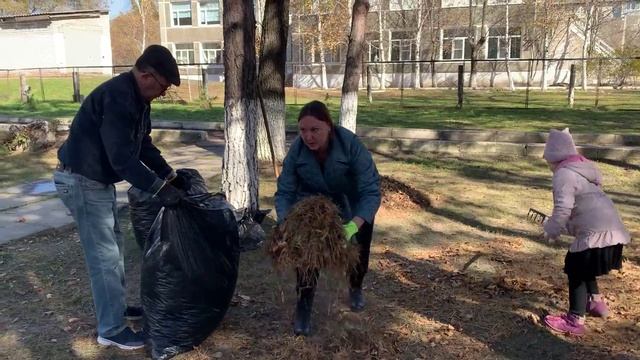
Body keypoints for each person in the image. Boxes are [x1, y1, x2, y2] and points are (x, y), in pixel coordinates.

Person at [53, 45, 191, 350]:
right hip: (81, 181)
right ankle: (111, 329)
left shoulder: (138, 100)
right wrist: (159, 189)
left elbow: (142, 145)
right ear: (145, 75)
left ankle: (115, 310)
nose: (162, 93)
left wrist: (169, 175)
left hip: (94, 182)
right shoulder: (118, 98)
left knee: (113, 251)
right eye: (162, 87)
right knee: (104, 258)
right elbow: (122, 160)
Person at [274, 100, 381, 336]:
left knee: (359, 253)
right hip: (313, 206)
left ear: (329, 127)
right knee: (306, 254)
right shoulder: (298, 151)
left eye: (315, 130)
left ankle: (355, 286)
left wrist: (354, 224)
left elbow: (371, 191)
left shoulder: (350, 144)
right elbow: (285, 191)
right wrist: (285, 222)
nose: (308, 136)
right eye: (303, 130)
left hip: (352, 204)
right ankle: (304, 304)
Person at [541, 128, 630, 336]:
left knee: (576, 269)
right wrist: (564, 226)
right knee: (584, 264)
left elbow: (563, 209)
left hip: (598, 232)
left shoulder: (563, 174)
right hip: (612, 231)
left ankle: (575, 319)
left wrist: (552, 229)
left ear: (553, 157)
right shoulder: (581, 170)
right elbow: (582, 212)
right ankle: (596, 303)